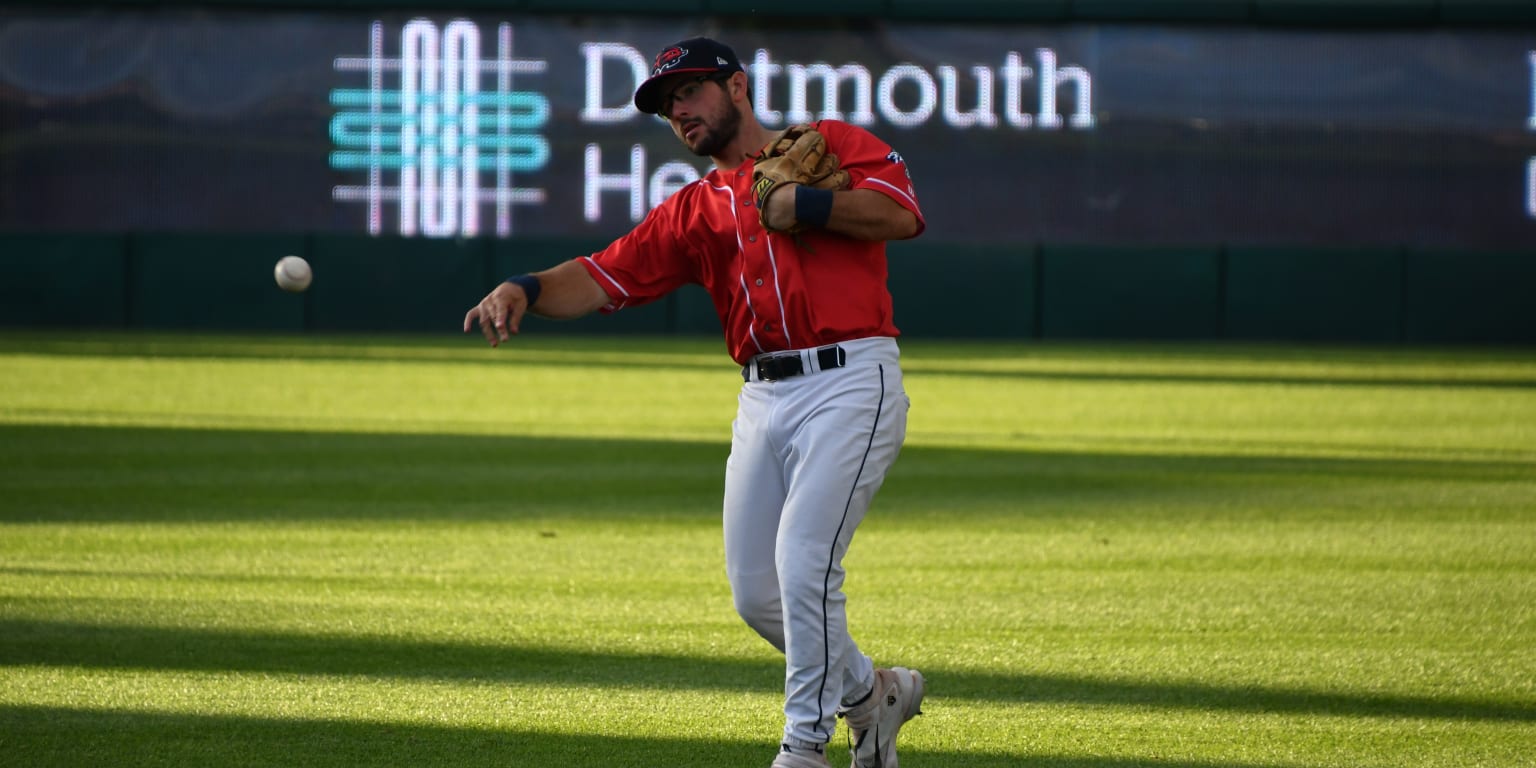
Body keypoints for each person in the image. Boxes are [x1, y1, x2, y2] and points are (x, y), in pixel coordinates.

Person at [463, 36, 926, 768]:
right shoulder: (694, 210)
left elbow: (900, 215)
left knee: (805, 564)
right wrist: (524, 285)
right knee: (758, 595)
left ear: (737, 87)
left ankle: (803, 747)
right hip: (762, 399)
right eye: (665, 104)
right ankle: (873, 698)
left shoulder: (829, 143)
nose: (678, 112)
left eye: (690, 92)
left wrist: (806, 202)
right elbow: (600, 275)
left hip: (850, 378)